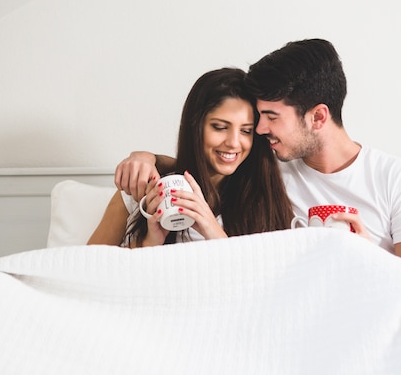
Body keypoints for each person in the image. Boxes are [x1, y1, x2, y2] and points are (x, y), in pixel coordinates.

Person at [112, 39, 401, 274]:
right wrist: (142, 157)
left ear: (317, 117)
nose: (259, 130)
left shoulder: (396, 178)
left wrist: (366, 256)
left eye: (271, 117)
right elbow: (198, 165)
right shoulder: (269, 172)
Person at [87, 67, 294, 247]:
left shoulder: (266, 195)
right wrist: (149, 243)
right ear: (195, 128)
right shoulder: (143, 188)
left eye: (246, 131)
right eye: (220, 127)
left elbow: (273, 280)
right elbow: (86, 267)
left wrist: (213, 231)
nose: (233, 142)